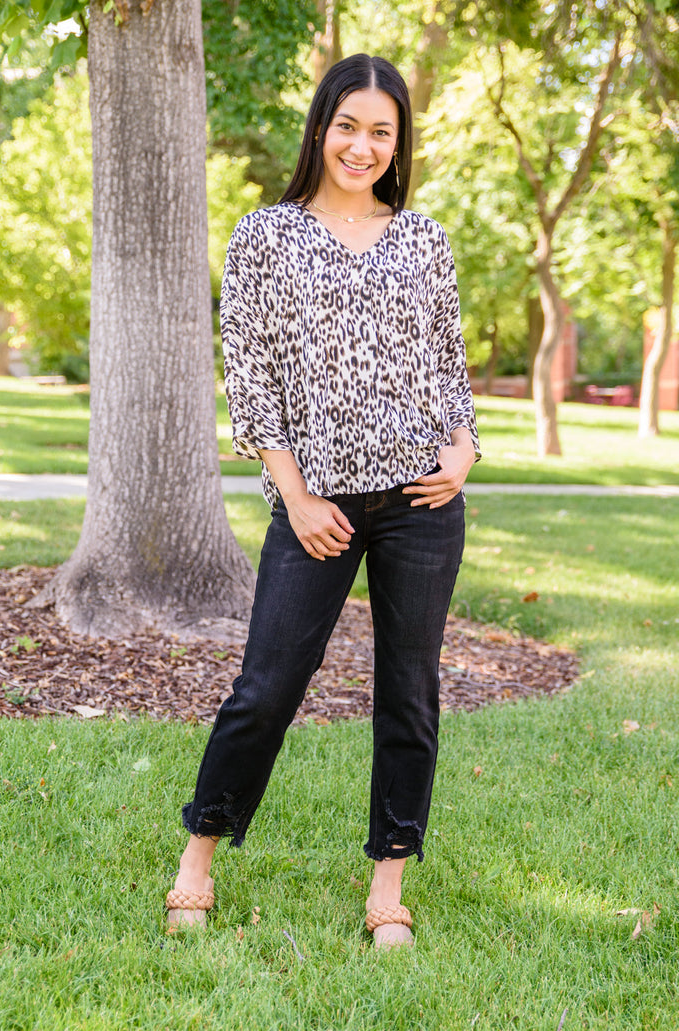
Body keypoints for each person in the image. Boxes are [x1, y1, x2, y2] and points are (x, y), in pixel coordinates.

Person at [166, 53, 480, 949]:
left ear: (397, 142)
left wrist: (462, 447)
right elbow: (252, 379)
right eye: (349, 125)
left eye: (381, 131)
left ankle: (388, 880)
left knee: (409, 692)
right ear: (320, 127)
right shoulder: (266, 235)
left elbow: (446, 364)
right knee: (266, 685)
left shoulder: (423, 240)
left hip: (424, 499)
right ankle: (199, 853)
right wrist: (296, 495)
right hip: (318, 503)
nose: (363, 145)